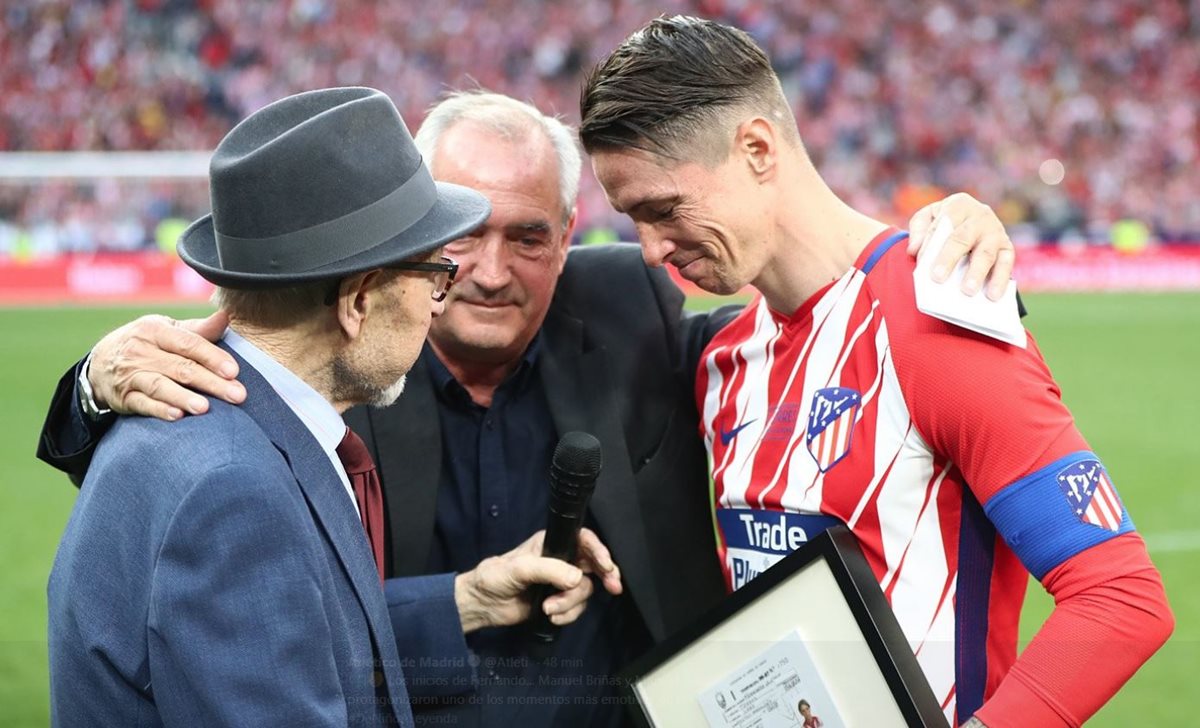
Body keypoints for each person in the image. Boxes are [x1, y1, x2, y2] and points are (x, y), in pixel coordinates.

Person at [38, 92, 1018, 727]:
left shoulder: (630, 307)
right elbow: (214, 541)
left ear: (570, 236)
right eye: (454, 241)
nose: (489, 273)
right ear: (391, 246)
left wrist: (933, 250)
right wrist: (92, 385)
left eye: (531, 236)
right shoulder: (337, 374)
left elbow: (815, 328)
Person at [578, 16, 1174, 728]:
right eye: (631, 218)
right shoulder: (724, 359)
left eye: (663, 209)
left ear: (758, 149)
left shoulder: (932, 324)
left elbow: (1120, 597)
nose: (649, 250)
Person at [46, 87, 495, 725]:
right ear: (358, 300)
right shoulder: (237, 493)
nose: (438, 304)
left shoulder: (179, 425)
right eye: (435, 274)